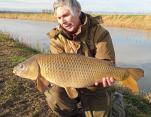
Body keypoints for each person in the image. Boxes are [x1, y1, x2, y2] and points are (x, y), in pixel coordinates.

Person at [36, 0, 126, 116]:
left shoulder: (99, 32)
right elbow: (56, 67)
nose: (62, 21)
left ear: (78, 11)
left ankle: (117, 100)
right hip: (69, 84)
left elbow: (107, 63)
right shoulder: (56, 38)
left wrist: (105, 78)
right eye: (59, 18)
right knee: (54, 96)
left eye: (65, 15)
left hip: (94, 87)